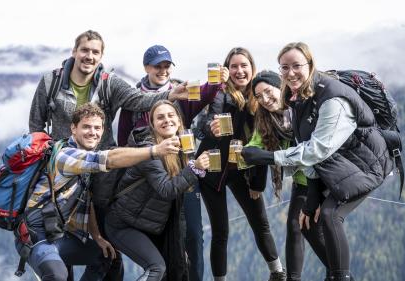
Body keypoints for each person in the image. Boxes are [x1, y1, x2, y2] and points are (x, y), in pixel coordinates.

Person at [28, 30, 188, 280]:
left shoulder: (108, 82)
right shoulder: (51, 82)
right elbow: (35, 128)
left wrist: (168, 96)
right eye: (85, 50)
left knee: (106, 251)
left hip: (101, 175)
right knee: (60, 248)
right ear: (74, 51)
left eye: (95, 52)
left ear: (101, 56)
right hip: (62, 175)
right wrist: (45, 167)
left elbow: (137, 99)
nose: (89, 56)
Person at [242, 42, 393, 281]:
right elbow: (308, 144)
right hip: (333, 169)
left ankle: (339, 277)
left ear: (310, 65)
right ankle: (336, 275)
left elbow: (317, 150)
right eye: (284, 68)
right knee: (307, 222)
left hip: (366, 165)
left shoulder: (332, 97)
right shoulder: (300, 98)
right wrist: (313, 194)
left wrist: (271, 157)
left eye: (296, 66)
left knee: (329, 215)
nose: (290, 73)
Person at [19, 103, 181, 281]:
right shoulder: (65, 156)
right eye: (86, 127)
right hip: (37, 236)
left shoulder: (85, 162)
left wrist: (96, 236)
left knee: (109, 258)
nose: (92, 132)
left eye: (97, 128)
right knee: (57, 276)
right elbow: (109, 159)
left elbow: (88, 202)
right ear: (73, 128)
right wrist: (155, 150)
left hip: (61, 235)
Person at [115, 44, 228, 281]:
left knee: (193, 237)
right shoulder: (132, 100)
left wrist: (218, 82)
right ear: (146, 67)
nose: (163, 70)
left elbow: (203, 96)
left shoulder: (181, 90)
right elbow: (123, 142)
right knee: (167, 242)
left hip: (184, 170)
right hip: (152, 180)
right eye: (158, 66)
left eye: (167, 65)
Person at [196, 47, 286, 281]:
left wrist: (258, 182)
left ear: (251, 68)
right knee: (220, 232)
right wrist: (210, 128)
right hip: (211, 170)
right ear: (226, 70)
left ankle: (277, 273)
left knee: (260, 222)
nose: (239, 71)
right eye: (233, 66)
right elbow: (204, 122)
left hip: (243, 171)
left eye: (243, 65)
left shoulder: (260, 96)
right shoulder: (219, 93)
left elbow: (264, 144)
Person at [105, 100, 210, 281]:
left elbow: (179, 203)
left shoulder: (182, 148)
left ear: (179, 121)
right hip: (125, 224)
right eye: (160, 117)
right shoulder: (148, 150)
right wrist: (194, 169)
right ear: (152, 124)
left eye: (171, 116)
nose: (166, 120)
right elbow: (167, 190)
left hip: (149, 224)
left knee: (172, 269)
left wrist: (179, 242)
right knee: (157, 268)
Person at [248, 70, 330, 281]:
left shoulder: (302, 109)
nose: (265, 100)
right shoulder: (267, 119)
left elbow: (315, 151)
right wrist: (245, 152)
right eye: (258, 96)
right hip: (302, 181)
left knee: (309, 226)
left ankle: (339, 273)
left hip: (325, 179)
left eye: (268, 91)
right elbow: (254, 145)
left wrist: (266, 156)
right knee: (296, 225)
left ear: (280, 86)